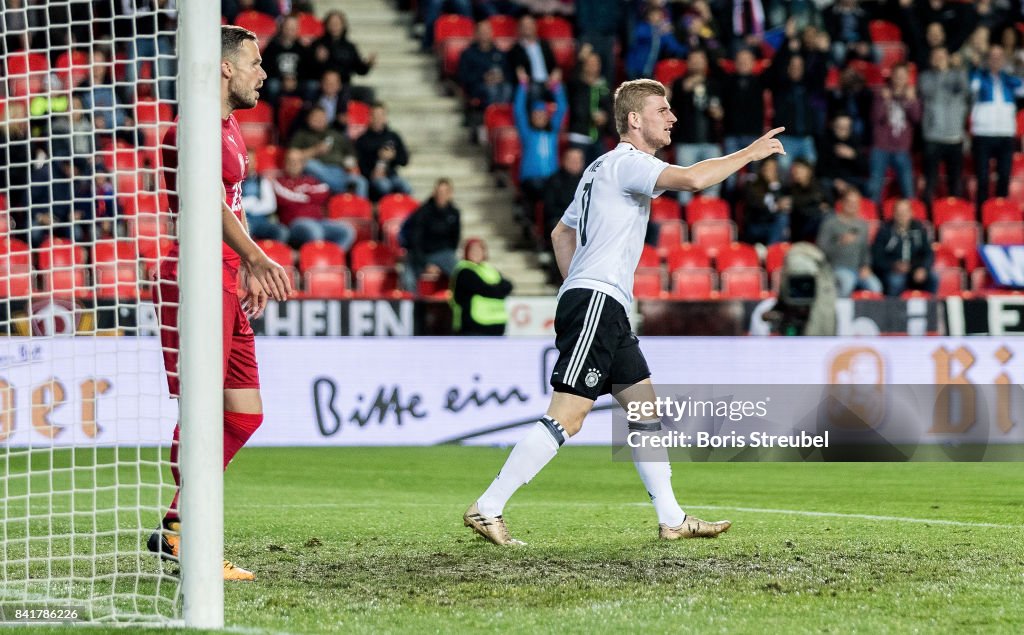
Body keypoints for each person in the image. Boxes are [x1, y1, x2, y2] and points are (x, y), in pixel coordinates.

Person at [463, 78, 787, 545]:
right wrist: (749, 154)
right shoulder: (629, 163)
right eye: (663, 109)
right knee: (569, 415)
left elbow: (560, 235)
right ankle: (488, 506)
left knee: (644, 411)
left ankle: (672, 518)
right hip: (597, 300)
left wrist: (577, 283)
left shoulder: (598, 169)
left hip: (601, 302)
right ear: (635, 120)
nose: (672, 117)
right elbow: (694, 179)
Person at [151, 25, 294, 582]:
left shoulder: (230, 128)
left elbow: (231, 203)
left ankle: (174, 525)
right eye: (256, 62)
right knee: (203, 411)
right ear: (226, 68)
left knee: (244, 412)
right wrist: (256, 257)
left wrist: (244, 268)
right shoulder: (187, 130)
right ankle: (189, 537)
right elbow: (203, 201)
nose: (264, 73)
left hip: (225, 277)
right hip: (193, 275)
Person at [970, 45, 1024, 211]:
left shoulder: (1009, 79)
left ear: (1004, 60)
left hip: (1005, 134)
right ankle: (982, 212)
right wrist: (978, 68)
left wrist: (1019, 67)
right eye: (992, 57)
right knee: (983, 177)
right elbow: (971, 87)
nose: (996, 60)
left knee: (1004, 176)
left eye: (999, 57)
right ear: (987, 59)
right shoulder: (979, 77)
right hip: (983, 134)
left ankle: (1000, 211)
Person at [273, 149, 355, 251]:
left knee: (347, 231)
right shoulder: (278, 182)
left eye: (297, 161)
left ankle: (330, 258)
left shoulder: (311, 179)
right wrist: (309, 194)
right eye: (290, 161)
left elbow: (324, 192)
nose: (294, 164)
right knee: (314, 231)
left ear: (303, 164)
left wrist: (301, 194)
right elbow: (284, 198)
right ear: (285, 163)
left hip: (319, 221)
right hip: (295, 224)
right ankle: (314, 259)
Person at [670, 49, 724, 202]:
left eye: (700, 60)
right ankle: (685, 220)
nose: (697, 63)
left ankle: (709, 221)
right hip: (686, 143)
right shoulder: (679, 83)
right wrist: (691, 83)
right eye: (693, 60)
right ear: (688, 63)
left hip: (711, 142)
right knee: (684, 186)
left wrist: (718, 112)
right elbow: (673, 104)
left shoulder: (714, 84)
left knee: (712, 186)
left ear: (706, 62)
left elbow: (721, 111)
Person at [918, 46, 968, 205]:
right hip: (933, 136)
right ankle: (928, 213)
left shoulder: (958, 75)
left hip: (954, 137)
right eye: (936, 56)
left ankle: (954, 210)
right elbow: (929, 92)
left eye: (942, 56)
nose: (939, 59)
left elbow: (966, 91)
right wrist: (941, 74)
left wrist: (956, 69)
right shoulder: (925, 77)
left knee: (955, 180)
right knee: (930, 179)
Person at [866, 64, 920, 206]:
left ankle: (911, 221)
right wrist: (885, 101)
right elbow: (876, 117)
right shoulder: (881, 94)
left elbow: (916, 118)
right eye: (897, 75)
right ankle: (874, 219)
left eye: (903, 76)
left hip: (902, 148)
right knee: (875, 187)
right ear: (892, 77)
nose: (900, 79)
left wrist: (911, 100)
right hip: (880, 147)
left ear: (907, 78)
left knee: (908, 188)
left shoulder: (911, 95)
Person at [288, 106, 368, 198]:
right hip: (317, 171)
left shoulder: (336, 134)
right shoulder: (301, 135)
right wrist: (315, 150)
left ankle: (361, 210)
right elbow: (292, 156)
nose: (319, 120)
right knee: (310, 164)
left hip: (339, 171)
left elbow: (352, 155)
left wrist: (349, 165)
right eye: (316, 117)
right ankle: (342, 188)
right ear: (309, 119)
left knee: (361, 182)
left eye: (322, 117)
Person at [816, 189, 883, 297]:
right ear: (842, 202)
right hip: (835, 268)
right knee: (847, 283)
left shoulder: (862, 225)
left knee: (876, 287)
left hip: (858, 269)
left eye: (855, 203)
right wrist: (839, 243)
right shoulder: (830, 223)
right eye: (849, 202)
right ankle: (839, 312)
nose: (852, 205)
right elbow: (821, 249)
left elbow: (865, 249)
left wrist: (866, 266)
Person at [399, 178, 461, 291]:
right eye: (439, 192)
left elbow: (454, 240)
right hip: (420, 254)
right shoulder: (422, 212)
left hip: (444, 254)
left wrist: (443, 260)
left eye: (445, 192)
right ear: (434, 192)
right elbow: (415, 241)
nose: (441, 195)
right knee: (408, 279)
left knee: (462, 275)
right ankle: (414, 306)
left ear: (450, 193)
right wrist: (426, 263)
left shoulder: (454, 213)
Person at [872, 198, 936, 297]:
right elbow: (877, 257)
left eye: (905, 211)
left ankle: (931, 309)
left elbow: (928, 253)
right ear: (893, 213)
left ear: (911, 213)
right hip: (892, 270)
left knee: (934, 278)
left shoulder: (919, 229)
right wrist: (893, 265)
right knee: (896, 281)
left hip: (915, 268)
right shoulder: (884, 231)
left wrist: (923, 268)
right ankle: (893, 310)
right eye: (899, 212)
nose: (902, 215)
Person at [450, 238, 514, 336]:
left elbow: (509, 286)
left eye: (479, 250)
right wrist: (497, 288)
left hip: (496, 323)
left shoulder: (489, 269)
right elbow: (486, 289)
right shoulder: (465, 271)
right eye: (473, 250)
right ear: (466, 252)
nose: (476, 253)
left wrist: (495, 289)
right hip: (474, 326)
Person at [355, 102, 412, 200]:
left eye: (381, 115)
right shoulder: (362, 140)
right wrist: (372, 173)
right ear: (370, 117)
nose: (378, 119)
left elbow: (405, 160)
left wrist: (393, 156)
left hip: (391, 175)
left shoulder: (394, 136)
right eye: (375, 115)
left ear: (385, 117)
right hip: (372, 177)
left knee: (406, 187)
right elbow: (359, 164)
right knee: (384, 186)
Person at [241, 149, 289, 244]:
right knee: (246, 230)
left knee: (282, 231)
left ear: (256, 162)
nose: (249, 163)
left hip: (262, 221)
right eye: (247, 160)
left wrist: (252, 206)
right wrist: (253, 202)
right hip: (243, 221)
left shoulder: (262, 181)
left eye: (252, 160)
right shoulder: (234, 181)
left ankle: (275, 256)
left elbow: (271, 205)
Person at [742, 156, 789, 246]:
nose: (770, 171)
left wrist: (773, 184)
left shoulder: (781, 187)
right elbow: (757, 207)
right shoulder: (753, 185)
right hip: (756, 225)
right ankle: (772, 252)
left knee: (783, 218)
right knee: (781, 219)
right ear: (762, 169)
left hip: (774, 225)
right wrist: (776, 206)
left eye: (773, 168)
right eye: (768, 167)